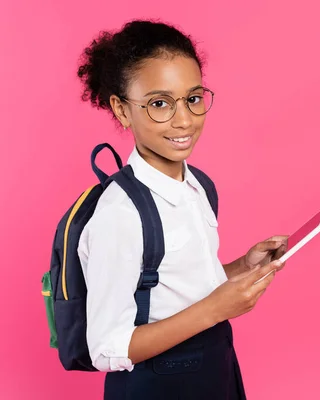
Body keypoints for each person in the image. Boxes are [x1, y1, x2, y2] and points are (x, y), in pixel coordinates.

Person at [76, 19, 287, 399]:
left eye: (193, 98)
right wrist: (214, 310)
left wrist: (242, 266)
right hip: (156, 385)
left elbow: (172, 288)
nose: (185, 119)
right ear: (122, 110)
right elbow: (107, 348)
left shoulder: (199, 186)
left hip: (215, 369)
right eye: (159, 103)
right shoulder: (120, 215)